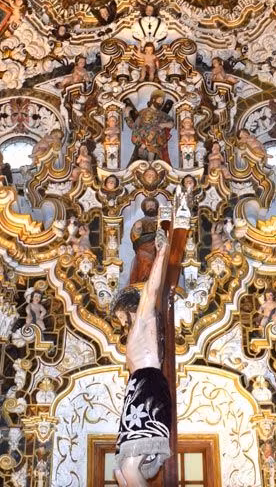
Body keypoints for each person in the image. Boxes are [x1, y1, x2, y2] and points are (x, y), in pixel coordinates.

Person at [114, 238, 172, 486]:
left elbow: (151, 289)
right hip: (137, 390)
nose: (117, 320)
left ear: (128, 308)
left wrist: (162, 253)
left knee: (129, 466)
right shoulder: (134, 330)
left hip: (147, 387)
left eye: (118, 313)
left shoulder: (142, 318)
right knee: (120, 471)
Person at [128, 91, 173, 164]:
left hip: (157, 138)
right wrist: (127, 115)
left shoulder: (162, 114)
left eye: (162, 102)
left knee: (155, 132)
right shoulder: (142, 112)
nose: (161, 103)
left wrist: (164, 125)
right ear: (153, 100)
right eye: (159, 100)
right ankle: (144, 148)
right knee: (152, 131)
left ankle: (146, 151)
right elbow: (134, 126)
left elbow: (171, 124)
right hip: (142, 135)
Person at [128, 198, 160, 284]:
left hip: (159, 247)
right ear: (144, 208)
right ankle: (144, 281)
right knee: (144, 259)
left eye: (153, 205)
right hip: (144, 248)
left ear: (156, 207)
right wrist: (137, 229)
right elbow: (134, 237)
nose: (151, 207)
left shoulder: (162, 220)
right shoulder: (140, 221)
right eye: (148, 206)